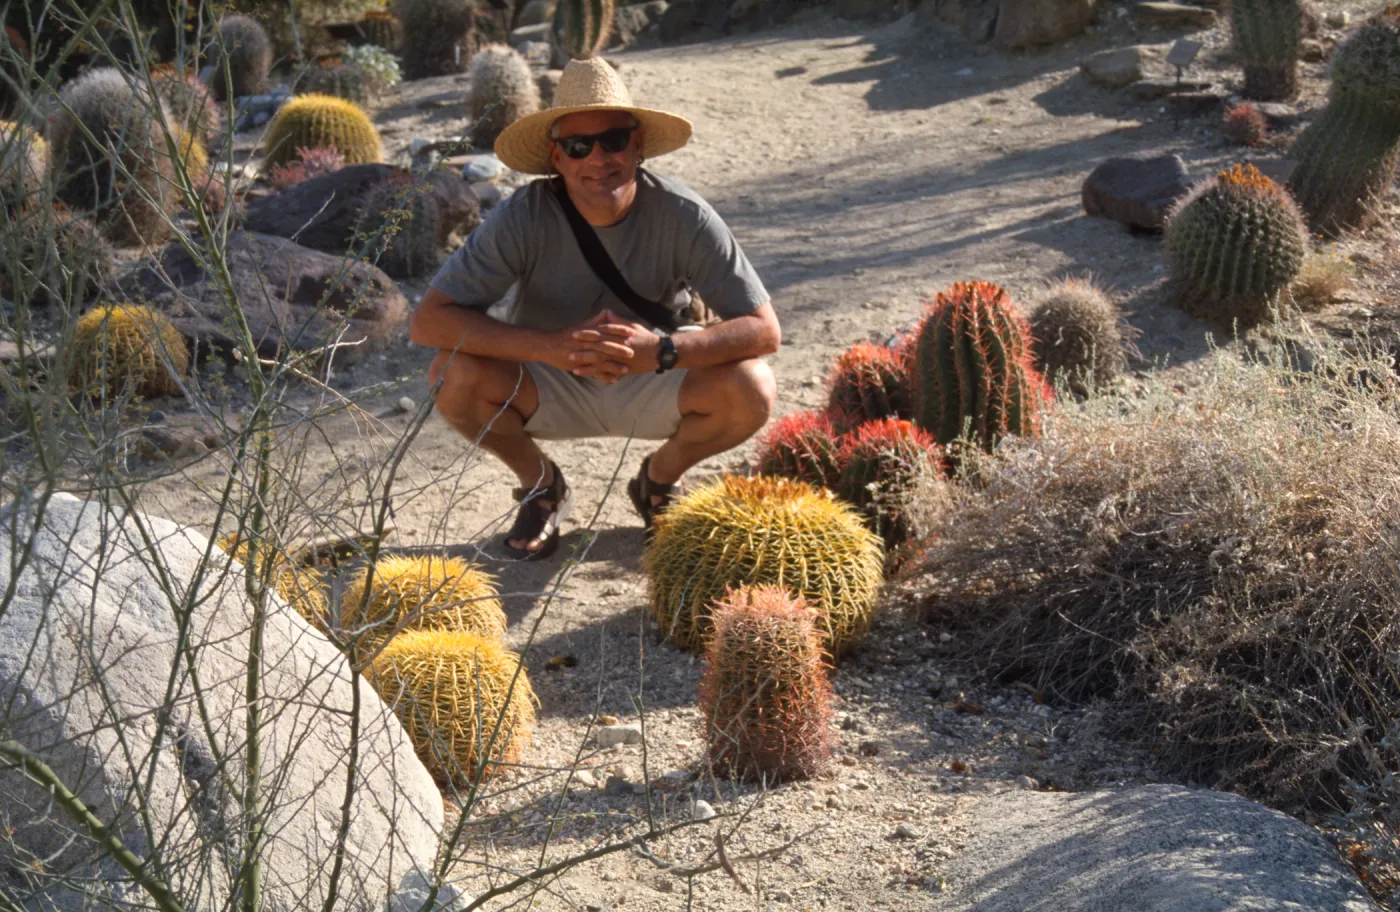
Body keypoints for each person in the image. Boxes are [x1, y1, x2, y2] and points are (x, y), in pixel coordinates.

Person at [410, 56, 780, 561]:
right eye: (578, 146)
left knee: (752, 387)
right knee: (450, 374)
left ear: (638, 144)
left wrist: (661, 352)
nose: (598, 158)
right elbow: (429, 321)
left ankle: (658, 482)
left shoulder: (685, 215)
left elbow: (764, 331)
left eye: (614, 140)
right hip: (548, 378)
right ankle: (542, 487)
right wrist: (550, 347)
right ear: (557, 157)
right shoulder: (522, 217)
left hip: (654, 374)